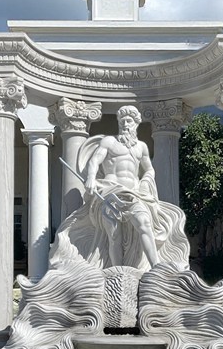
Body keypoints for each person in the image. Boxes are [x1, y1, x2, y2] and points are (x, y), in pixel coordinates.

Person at [50, 106, 189, 271]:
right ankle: (117, 271)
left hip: (134, 194)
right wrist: (91, 178)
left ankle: (156, 266)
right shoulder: (109, 142)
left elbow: (149, 169)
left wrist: (146, 180)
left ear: (136, 123)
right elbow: (95, 161)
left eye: (129, 121)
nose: (125, 124)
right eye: (122, 121)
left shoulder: (141, 147)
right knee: (114, 233)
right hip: (111, 191)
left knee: (144, 223)